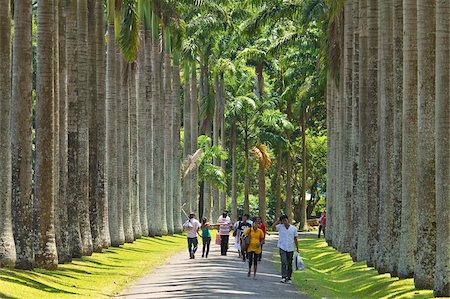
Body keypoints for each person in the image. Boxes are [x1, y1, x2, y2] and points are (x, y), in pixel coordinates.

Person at [272, 215, 299, 284]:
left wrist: (297, 248)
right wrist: (277, 221)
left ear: (288, 220)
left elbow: (295, 238)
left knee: (289, 263)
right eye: (283, 221)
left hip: (290, 248)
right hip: (282, 247)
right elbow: (273, 228)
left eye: (285, 220)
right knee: (284, 262)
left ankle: (289, 277)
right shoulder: (280, 227)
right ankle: (283, 277)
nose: (285, 222)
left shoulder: (293, 228)